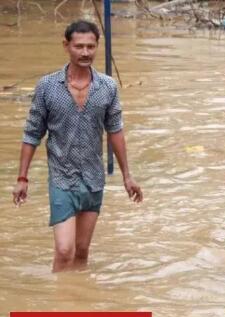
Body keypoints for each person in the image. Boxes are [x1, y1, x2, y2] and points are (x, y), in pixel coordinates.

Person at [12, 20, 142, 272]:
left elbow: (115, 131)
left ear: (97, 47)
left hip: (93, 178)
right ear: (66, 46)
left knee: (81, 251)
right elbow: (32, 134)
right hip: (61, 178)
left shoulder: (107, 87)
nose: (85, 53)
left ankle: (77, 303)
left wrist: (127, 176)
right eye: (79, 46)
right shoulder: (47, 86)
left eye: (90, 47)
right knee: (64, 250)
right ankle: (58, 307)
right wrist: (22, 178)